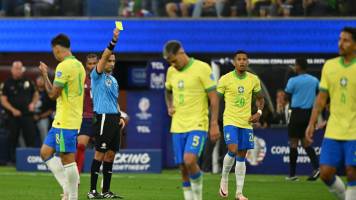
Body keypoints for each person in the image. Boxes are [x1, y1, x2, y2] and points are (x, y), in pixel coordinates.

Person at [163, 40, 220, 200]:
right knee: (182, 167)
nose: (173, 65)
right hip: (177, 125)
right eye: (170, 62)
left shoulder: (202, 68)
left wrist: (214, 123)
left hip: (197, 124)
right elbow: (167, 91)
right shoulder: (171, 71)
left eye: (174, 60)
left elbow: (214, 99)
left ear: (181, 52)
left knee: (189, 161)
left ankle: (198, 197)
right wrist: (170, 105)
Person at [306, 27, 356, 200]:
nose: (340, 44)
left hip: (354, 130)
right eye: (340, 39)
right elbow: (321, 99)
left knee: (352, 173)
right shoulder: (330, 66)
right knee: (325, 173)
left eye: (346, 40)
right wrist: (312, 123)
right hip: (334, 129)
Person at [38, 34, 85, 200]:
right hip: (63, 119)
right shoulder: (79, 65)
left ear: (58, 49)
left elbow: (52, 95)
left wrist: (44, 76)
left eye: (54, 51)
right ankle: (67, 186)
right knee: (45, 152)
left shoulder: (63, 66)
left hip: (66, 120)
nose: (54, 54)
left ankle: (72, 196)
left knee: (67, 158)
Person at [217, 50, 265, 200]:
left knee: (242, 155)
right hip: (230, 120)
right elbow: (216, 99)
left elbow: (260, 98)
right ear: (234, 62)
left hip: (246, 122)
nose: (242, 61)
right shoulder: (225, 79)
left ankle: (239, 193)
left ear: (247, 61)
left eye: (245, 59)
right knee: (233, 148)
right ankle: (224, 178)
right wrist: (213, 119)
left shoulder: (253, 79)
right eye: (239, 59)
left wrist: (258, 113)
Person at [87, 28, 125, 199]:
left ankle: (106, 191)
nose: (111, 63)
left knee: (110, 155)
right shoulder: (97, 75)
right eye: (109, 60)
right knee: (99, 153)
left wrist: (120, 116)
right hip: (102, 117)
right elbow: (103, 57)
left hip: (114, 118)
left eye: (113, 61)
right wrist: (113, 41)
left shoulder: (114, 80)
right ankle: (92, 191)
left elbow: (114, 101)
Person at [284, 58, 320, 181]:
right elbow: (320, 95)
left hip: (296, 113)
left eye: (295, 65)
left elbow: (286, 96)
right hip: (309, 114)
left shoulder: (292, 80)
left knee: (293, 143)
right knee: (306, 143)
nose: (294, 67)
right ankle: (316, 168)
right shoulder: (314, 80)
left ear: (298, 66)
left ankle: (293, 175)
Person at [0, 61, 39, 164]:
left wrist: (33, 104)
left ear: (22, 70)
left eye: (19, 68)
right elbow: (3, 100)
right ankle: (13, 161)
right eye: (16, 68)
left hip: (27, 115)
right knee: (12, 138)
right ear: (12, 70)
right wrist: (13, 110)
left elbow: (36, 94)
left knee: (31, 137)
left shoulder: (29, 81)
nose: (18, 70)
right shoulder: (7, 83)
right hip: (13, 116)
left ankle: (31, 161)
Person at [75, 53, 98, 174]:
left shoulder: (105, 78)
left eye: (94, 63)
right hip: (86, 118)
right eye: (90, 64)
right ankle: (76, 179)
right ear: (86, 65)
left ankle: (103, 183)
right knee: (81, 146)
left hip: (100, 117)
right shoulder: (82, 78)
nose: (92, 66)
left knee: (104, 151)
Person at [34, 75, 56, 143]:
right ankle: (27, 148)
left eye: (41, 79)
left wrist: (40, 116)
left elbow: (51, 109)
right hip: (31, 116)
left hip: (44, 117)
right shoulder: (33, 92)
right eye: (38, 79)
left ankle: (45, 145)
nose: (40, 81)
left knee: (43, 125)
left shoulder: (49, 94)